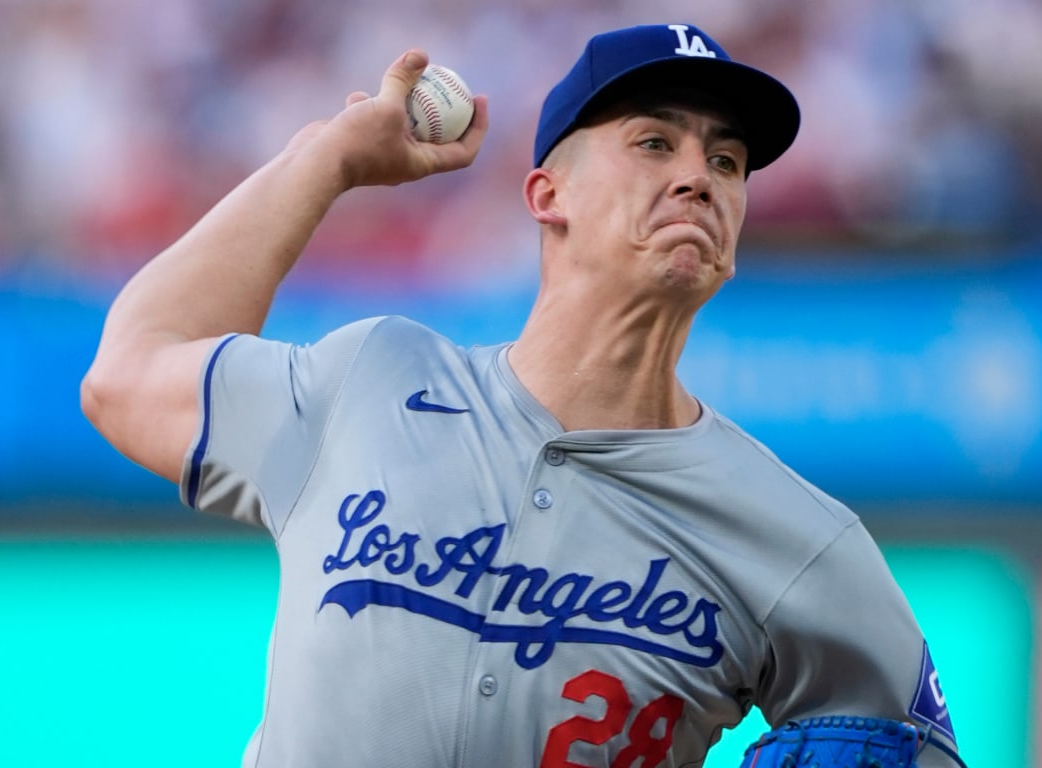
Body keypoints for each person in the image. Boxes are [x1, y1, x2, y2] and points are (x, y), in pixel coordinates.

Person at [82, 22, 964, 768]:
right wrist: (328, 159)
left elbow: (914, 746)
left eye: (727, 161)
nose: (700, 177)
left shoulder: (799, 539)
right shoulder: (372, 381)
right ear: (549, 194)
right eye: (655, 142)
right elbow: (127, 373)